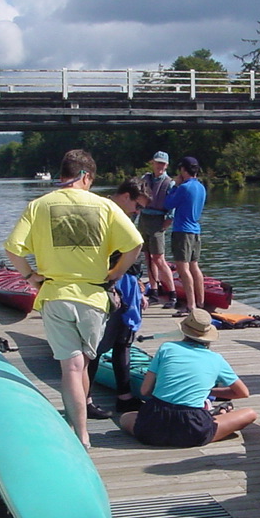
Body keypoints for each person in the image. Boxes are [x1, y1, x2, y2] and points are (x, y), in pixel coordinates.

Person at [4, 149, 143, 449]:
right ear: (85, 175)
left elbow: (13, 249)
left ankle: (79, 432)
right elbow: (135, 244)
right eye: (91, 180)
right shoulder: (104, 206)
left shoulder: (39, 205)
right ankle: (79, 426)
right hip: (94, 298)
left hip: (55, 295)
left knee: (71, 367)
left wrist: (29, 276)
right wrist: (116, 272)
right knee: (84, 362)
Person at [117, 308, 258, 447]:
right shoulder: (216, 359)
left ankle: (213, 415)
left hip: (154, 423)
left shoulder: (166, 348)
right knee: (250, 413)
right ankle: (217, 415)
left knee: (125, 418)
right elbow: (243, 393)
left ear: (184, 331)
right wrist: (209, 392)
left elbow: (145, 391)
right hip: (193, 428)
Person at [86, 177, 151, 418]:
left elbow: (132, 255)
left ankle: (124, 397)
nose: (138, 211)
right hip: (108, 286)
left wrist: (138, 286)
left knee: (123, 342)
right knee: (96, 346)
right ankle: (86, 399)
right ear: (126, 196)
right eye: (137, 205)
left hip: (128, 285)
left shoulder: (125, 217)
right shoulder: (103, 213)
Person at [163, 156, 206, 316]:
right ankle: (200, 302)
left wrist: (174, 186)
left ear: (183, 170)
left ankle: (191, 305)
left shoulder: (184, 187)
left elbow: (168, 204)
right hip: (196, 230)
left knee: (183, 268)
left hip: (182, 231)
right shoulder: (201, 187)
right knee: (194, 266)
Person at [139, 151, 177, 307]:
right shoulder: (145, 179)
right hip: (144, 220)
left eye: (162, 163)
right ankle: (154, 290)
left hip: (158, 221)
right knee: (148, 257)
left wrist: (164, 225)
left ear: (166, 165)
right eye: (157, 163)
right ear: (153, 163)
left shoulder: (170, 183)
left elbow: (172, 210)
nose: (159, 166)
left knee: (159, 259)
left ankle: (172, 293)